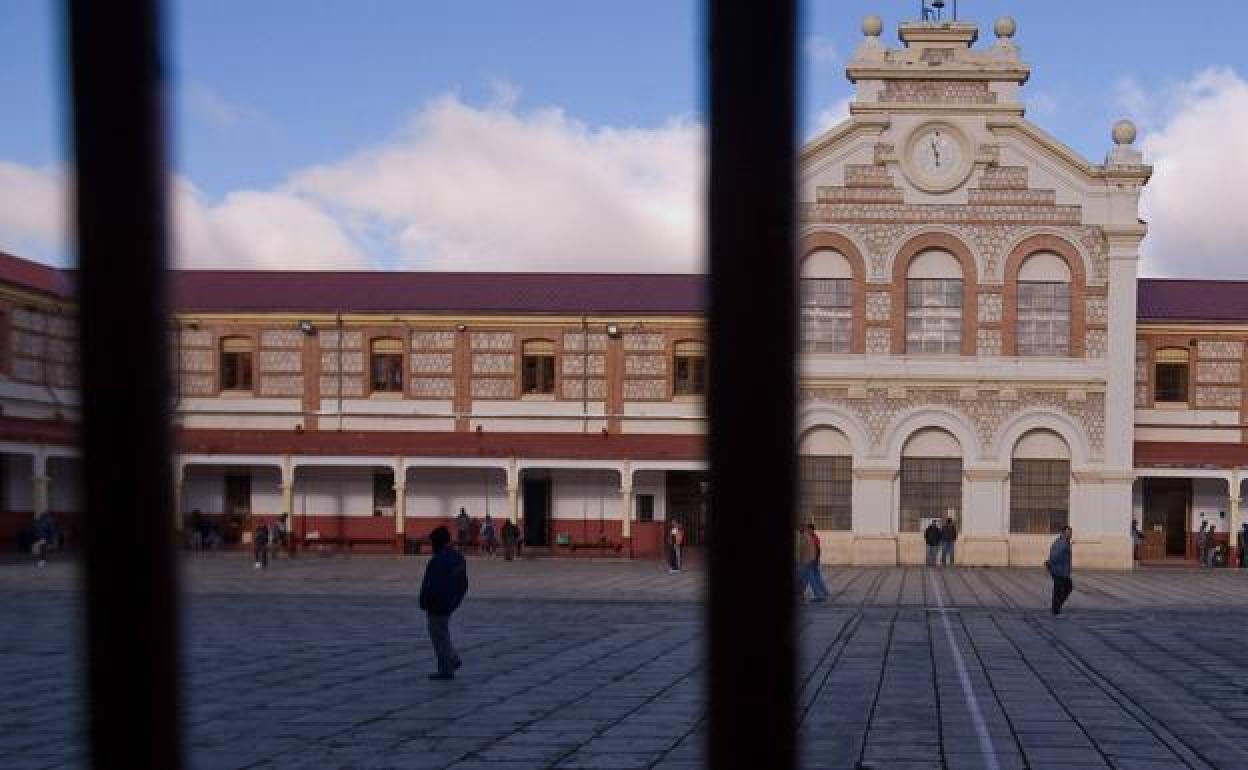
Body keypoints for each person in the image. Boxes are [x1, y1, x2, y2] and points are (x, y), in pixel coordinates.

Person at [419, 526, 468, 680]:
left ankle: (446, 668)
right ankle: (452, 658)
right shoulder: (457, 557)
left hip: (438, 603)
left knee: (438, 635)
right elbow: (464, 583)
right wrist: (455, 599)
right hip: (450, 601)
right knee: (442, 632)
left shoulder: (438, 560)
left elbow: (431, 584)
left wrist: (425, 601)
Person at [1045, 526, 1074, 616]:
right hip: (1058, 570)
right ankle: (1056, 609)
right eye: (1068, 533)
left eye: (1070, 533)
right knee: (1061, 589)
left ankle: (1056, 607)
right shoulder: (1061, 543)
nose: (1070, 534)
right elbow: (1055, 555)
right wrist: (1049, 563)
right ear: (1063, 533)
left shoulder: (1065, 542)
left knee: (1065, 588)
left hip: (1062, 571)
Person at [797, 523, 829, 602]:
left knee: (810, 579)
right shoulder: (807, 536)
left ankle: (819, 595)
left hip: (809, 561)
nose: (799, 529)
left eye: (801, 527)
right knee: (807, 578)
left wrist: (813, 560)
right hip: (808, 561)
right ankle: (822, 593)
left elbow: (815, 549)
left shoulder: (808, 537)